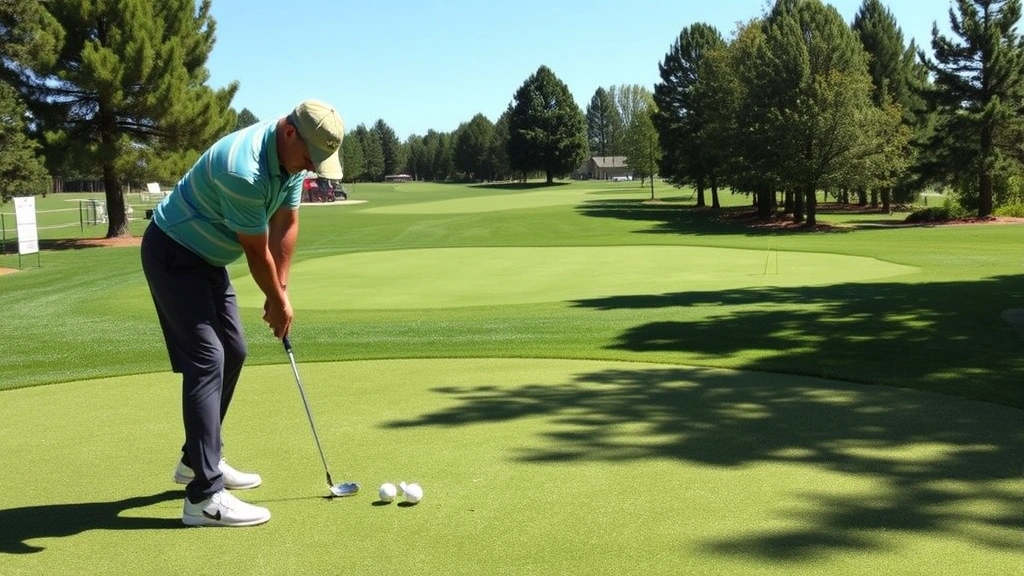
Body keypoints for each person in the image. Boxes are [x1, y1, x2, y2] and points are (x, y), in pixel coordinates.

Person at [140, 99, 344, 527]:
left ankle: (196, 460)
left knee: (234, 350)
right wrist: (277, 301)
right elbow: (255, 250)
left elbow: (286, 223)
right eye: (310, 156)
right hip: (173, 253)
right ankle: (204, 498)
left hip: (208, 261)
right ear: (290, 133)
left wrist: (280, 290)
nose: (311, 167)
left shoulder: (289, 161)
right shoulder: (243, 169)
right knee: (207, 358)